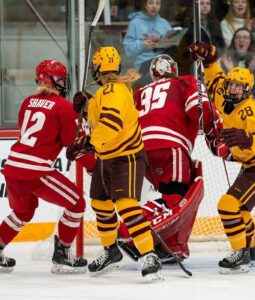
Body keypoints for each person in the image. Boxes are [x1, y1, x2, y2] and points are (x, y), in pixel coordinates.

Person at [67, 46, 162, 282]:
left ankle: (149, 255)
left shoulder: (113, 90)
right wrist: (86, 109)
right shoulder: (107, 92)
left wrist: (88, 143)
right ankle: (111, 251)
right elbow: (101, 120)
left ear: (97, 68)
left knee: (127, 206)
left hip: (126, 156)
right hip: (107, 156)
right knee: (100, 203)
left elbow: (111, 124)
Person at [118, 54, 224, 263]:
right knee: (176, 197)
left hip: (141, 150)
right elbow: (198, 110)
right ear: (174, 68)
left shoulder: (139, 92)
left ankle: (168, 246)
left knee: (172, 192)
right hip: (170, 145)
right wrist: (216, 132)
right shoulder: (185, 81)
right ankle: (129, 232)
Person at [188, 42, 255, 274]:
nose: (232, 90)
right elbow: (215, 78)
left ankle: (240, 253)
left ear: (247, 90)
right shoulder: (225, 96)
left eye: (238, 88)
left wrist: (248, 139)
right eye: (231, 85)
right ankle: (251, 248)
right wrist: (208, 59)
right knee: (240, 210)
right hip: (251, 165)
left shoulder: (251, 111)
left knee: (227, 205)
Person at [0, 59, 95, 274]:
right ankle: (62, 254)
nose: (64, 83)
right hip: (36, 171)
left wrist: (75, 116)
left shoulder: (28, 102)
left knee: (22, 212)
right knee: (77, 204)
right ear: (53, 80)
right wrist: (93, 166)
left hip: (13, 166)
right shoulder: (63, 106)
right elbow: (73, 145)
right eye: (61, 79)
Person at [123, 0, 172, 87]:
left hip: (164, 61)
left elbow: (172, 43)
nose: (154, 6)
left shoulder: (164, 23)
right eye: (151, 3)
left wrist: (169, 43)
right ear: (145, 5)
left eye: (157, 3)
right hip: (144, 63)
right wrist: (142, 44)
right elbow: (128, 49)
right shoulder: (135, 23)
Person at [218, 27, 255, 100]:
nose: (241, 40)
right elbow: (217, 90)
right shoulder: (224, 59)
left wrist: (253, 73)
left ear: (251, 42)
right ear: (233, 42)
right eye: (238, 37)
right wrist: (230, 71)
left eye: (245, 38)